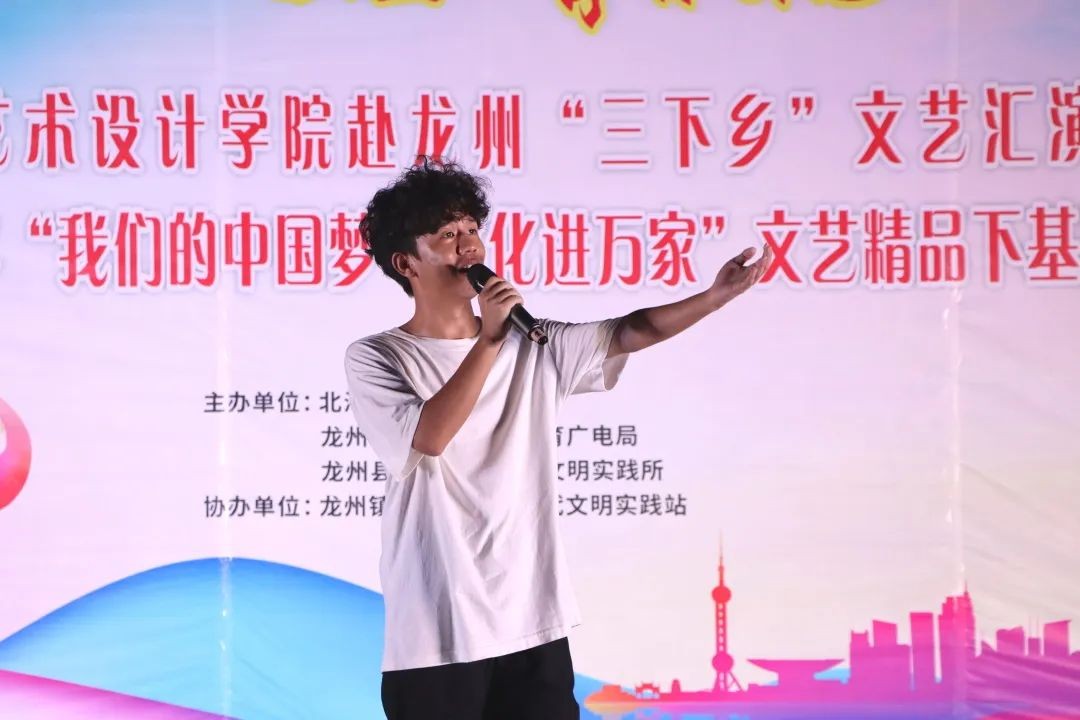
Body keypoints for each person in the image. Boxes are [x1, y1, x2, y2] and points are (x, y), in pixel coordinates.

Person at [344, 158, 772, 720]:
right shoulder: (378, 356)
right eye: (447, 235)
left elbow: (631, 330)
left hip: (531, 620)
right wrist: (489, 341)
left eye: (472, 228)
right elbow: (429, 436)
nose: (468, 245)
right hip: (437, 631)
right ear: (407, 263)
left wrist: (715, 297)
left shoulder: (534, 342)